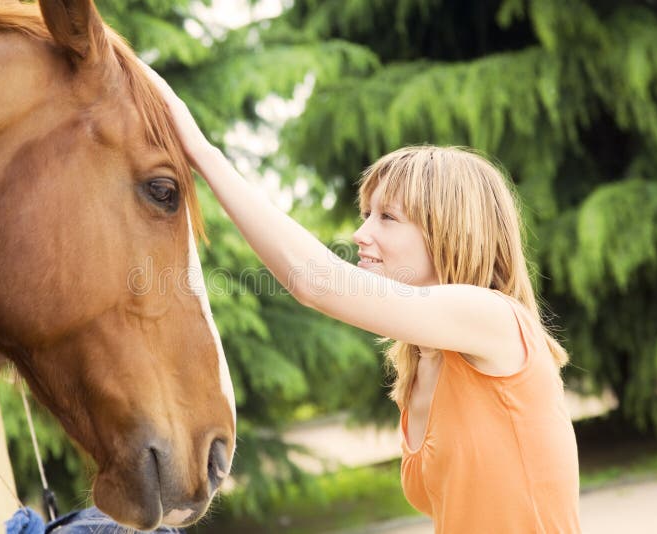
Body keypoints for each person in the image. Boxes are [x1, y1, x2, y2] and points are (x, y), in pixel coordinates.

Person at [143, 65, 581, 533]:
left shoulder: (495, 319)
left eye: (387, 217)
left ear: (449, 233)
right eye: (365, 214)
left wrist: (201, 152)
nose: (360, 233)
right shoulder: (420, 365)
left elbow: (316, 282)